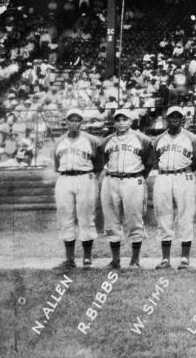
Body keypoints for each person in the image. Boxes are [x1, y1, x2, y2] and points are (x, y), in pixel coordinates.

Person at [99, 110, 154, 270]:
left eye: (124, 119)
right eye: (118, 120)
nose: (121, 122)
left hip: (133, 179)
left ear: (131, 121)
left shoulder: (142, 139)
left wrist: (139, 176)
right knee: (111, 220)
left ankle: (135, 260)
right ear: (114, 122)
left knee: (134, 219)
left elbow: (149, 162)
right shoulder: (107, 141)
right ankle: (115, 260)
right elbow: (103, 160)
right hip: (111, 180)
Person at [152, 107, 196, 270]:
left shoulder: (192, 138)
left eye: (178, 116)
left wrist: (185, 170)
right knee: (163, 216)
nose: (174, 119)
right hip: (163, 176)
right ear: (166, 119)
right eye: (171, 116)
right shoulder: (159, 139)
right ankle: (165, 259)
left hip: (184, 176)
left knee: (186, 216)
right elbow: (155, 159)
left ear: (183, 119)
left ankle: (184, 258)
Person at [53, 109, 102, 270]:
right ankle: (69, 259)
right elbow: (56, 164)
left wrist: (90, 178)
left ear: (82, 122)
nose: (74, 123)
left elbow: (99, 164)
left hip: (85, 177)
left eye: (77, 120)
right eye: (71, 120)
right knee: (65, 217)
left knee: (86, 216)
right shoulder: (59, 141)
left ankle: (87, 258)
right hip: (65, 178)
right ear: (66, 122)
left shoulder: (92, 140)